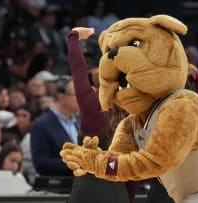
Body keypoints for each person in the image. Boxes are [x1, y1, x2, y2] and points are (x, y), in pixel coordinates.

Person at [66, 27, 129, 203]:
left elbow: (77, 68)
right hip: (120, 196)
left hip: (87, 195)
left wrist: (74, 37)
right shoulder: (128, 116)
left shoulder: (93, 112)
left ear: (93, 90)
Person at [30, 75, 80, 176]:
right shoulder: (42, 125)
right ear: (62, 97)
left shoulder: (78, 122)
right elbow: (41, 164)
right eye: (77, 95)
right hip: (60, 187)